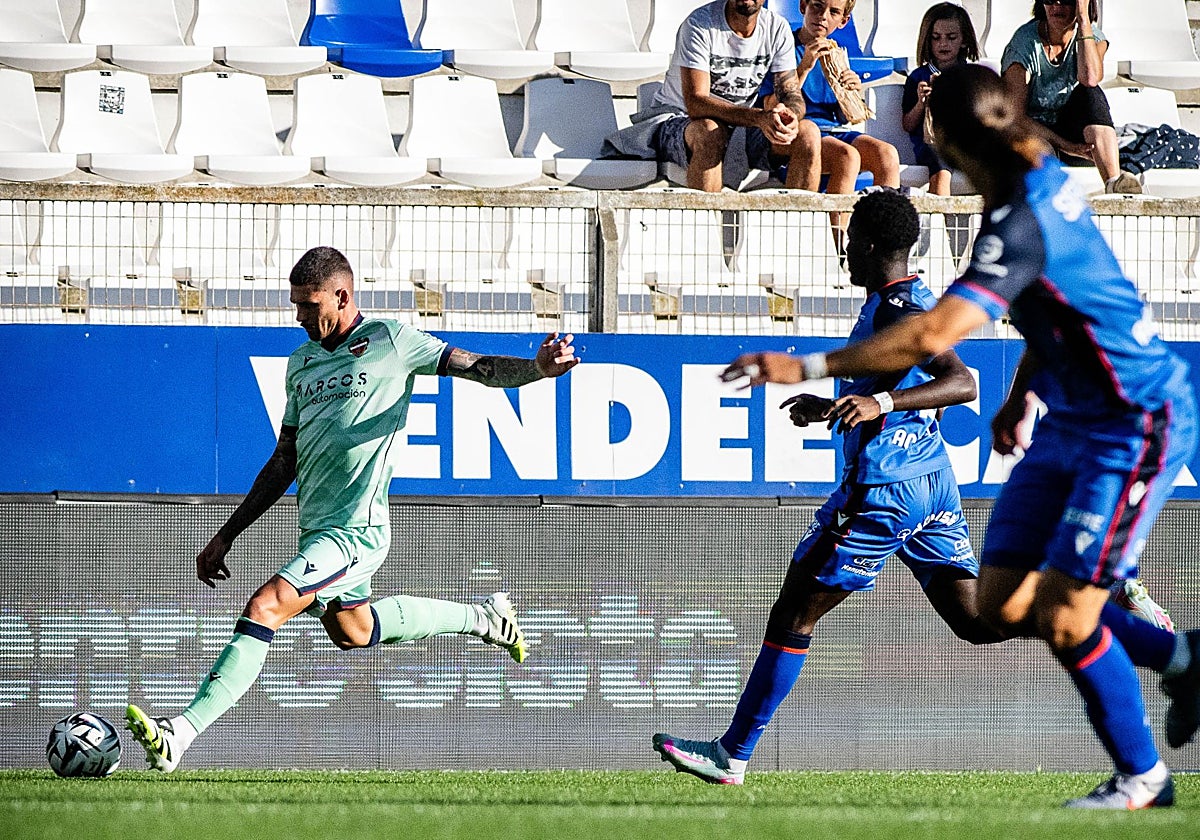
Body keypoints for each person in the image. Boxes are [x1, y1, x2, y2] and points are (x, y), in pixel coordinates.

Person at [720, 64, 1200, 809]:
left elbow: (935, 336)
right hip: (1070, 417)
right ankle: (1180, 657)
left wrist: (804, 364)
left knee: (1069, 617)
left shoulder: (1023, 216)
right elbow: (1060, 305)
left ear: (942, 134)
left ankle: (1143, 776)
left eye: (924, 116)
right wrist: (1020, 396)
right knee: (1002, 608)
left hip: (1134, 419)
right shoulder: (1026, 184)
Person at [651, 189, 1172, 786]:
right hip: (929, 485)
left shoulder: (899, 308)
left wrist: (878, 400)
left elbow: (960, 382)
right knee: (980, 621)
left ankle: (733, 755)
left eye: (850, 242)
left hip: (884, 491)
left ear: (871, 246)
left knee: (793, 612)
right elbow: (895, 380)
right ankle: (1110, 607)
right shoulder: (905, 302)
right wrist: (835, 406)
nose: (844, 252)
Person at [124, 246, 579, 772]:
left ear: (342, 295)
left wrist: (540, 370)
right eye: (294, 304)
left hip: (356, 532)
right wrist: (228, 534)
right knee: (354, 631)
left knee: (264, 606)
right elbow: (283, 459)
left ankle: (180, 732)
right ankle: (485, 618)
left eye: (307, 303)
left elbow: (476, 366)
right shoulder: (301, 364)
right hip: (317, 531)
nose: (298, 316)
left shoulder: (390, 341)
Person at [650, 0, 821, 192]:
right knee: (710, 131)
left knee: (808, 134)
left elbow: (790, 93)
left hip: (743, 127)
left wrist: (789, 116)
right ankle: (705, 220)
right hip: (681, 120)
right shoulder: (699, 23)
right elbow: (696, 103)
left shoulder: (777, 28)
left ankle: (799, 222)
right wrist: (759, 118)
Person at [788, 0, 900, 251]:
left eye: (833, 12)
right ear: (803, 5)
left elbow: (843, 116)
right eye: (817, 7)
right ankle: (840, 250)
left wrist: (850, 92)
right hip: (801, 131)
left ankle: (885, 247)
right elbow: (775, 101)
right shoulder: (786, 46)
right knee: (847, 156)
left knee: (887, 155)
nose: (823, 17)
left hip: (833, 130)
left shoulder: (838, 51)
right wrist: (804, 67)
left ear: (843, 21)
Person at [1000, 0, 1141, 194]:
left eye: (1066, 1)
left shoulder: (1094, 38)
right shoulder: (1024, 44)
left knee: (1091, 93)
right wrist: (1066, 146)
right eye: (1050, 0)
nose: (1056, 7)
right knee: (1041, 149)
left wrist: (1084, 19)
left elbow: (1090, 78)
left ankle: (1114, 183)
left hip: (1075, 133)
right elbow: (1014, 116)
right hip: (1033, 129)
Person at [900, 2, 980, 196]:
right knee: (942, 168)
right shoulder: (918, 77)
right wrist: (921, 103)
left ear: (963, 40)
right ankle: (939, 223)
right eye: (936, 38)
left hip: (967, 144)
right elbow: (908, 125)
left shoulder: (973, 75)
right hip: (933, 146)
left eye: (951, 37)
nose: (943, 44)